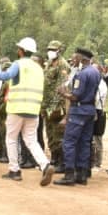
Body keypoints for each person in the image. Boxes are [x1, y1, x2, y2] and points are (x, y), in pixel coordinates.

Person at [0, 38, 54, 184]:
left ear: (21, 51)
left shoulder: (18, 64)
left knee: (11, 139)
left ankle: (14, 170)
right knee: (31, 140)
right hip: (33, 110)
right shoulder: (39, 69)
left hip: (16, 108)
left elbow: (6, 76)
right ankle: (45, 165)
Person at [55, 48, 100, 186]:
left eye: (76, 57)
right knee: (84, 142)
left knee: (69, 142)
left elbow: (75, 95)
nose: (74, 60)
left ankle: (69, 174)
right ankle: (82, 174)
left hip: (79, 110)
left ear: (82, 58)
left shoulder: (82, 74)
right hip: (90, 110)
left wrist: (63, 93)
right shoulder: (96, 72)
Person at [41, 41, 69, 170]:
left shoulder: (62, 65)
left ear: (59, 50)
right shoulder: (48, 64)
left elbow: (61, 88)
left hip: (56, 107)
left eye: (53, 49)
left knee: (58, 135)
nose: (50, 51)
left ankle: (61, 162)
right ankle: (54, 158)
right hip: (46, 105)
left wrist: (52, 108)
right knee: (50, 134)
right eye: (49, 49)